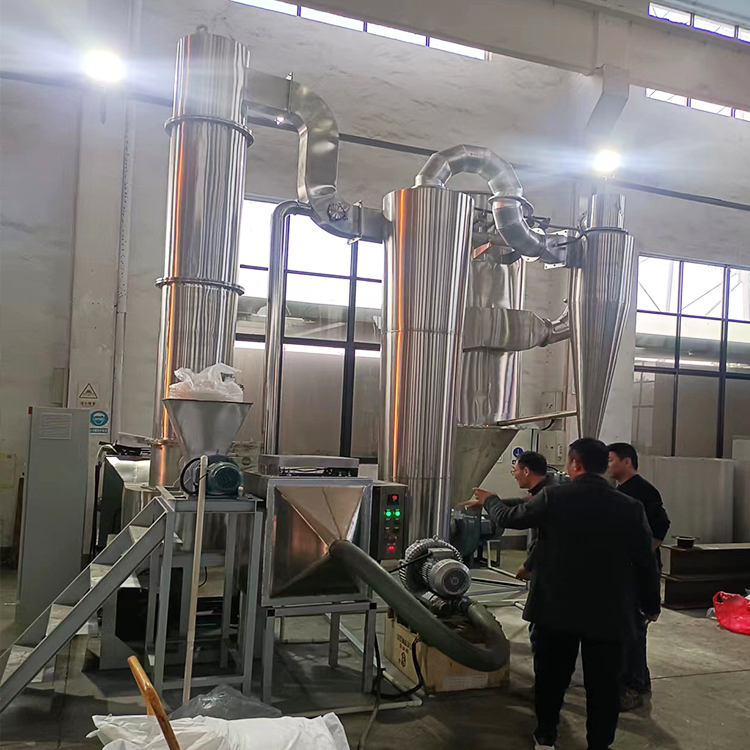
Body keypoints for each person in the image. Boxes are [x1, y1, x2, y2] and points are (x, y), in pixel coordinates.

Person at [468, 438, 661, 750]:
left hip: (555, 609)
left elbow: (509, 518)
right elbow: (645, 562)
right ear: (604, 466)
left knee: (551, 678)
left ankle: (546, 737)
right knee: (604, 686)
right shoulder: (630, 507)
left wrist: (490, 500)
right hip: (608, 612)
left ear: (574, 464)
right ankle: (599, 744)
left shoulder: (553, 497)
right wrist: (651, 604)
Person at [607, 442, 670, 710]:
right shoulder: (621, 490)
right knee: (628, 628)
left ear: (627, 461)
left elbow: (661, 525)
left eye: (611, 460)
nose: (608, 465)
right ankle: (638, 679)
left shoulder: (643, 490)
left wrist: (642, 554)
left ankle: (635, 685)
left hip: (637, 571)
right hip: (626, 569)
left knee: (634, 629)